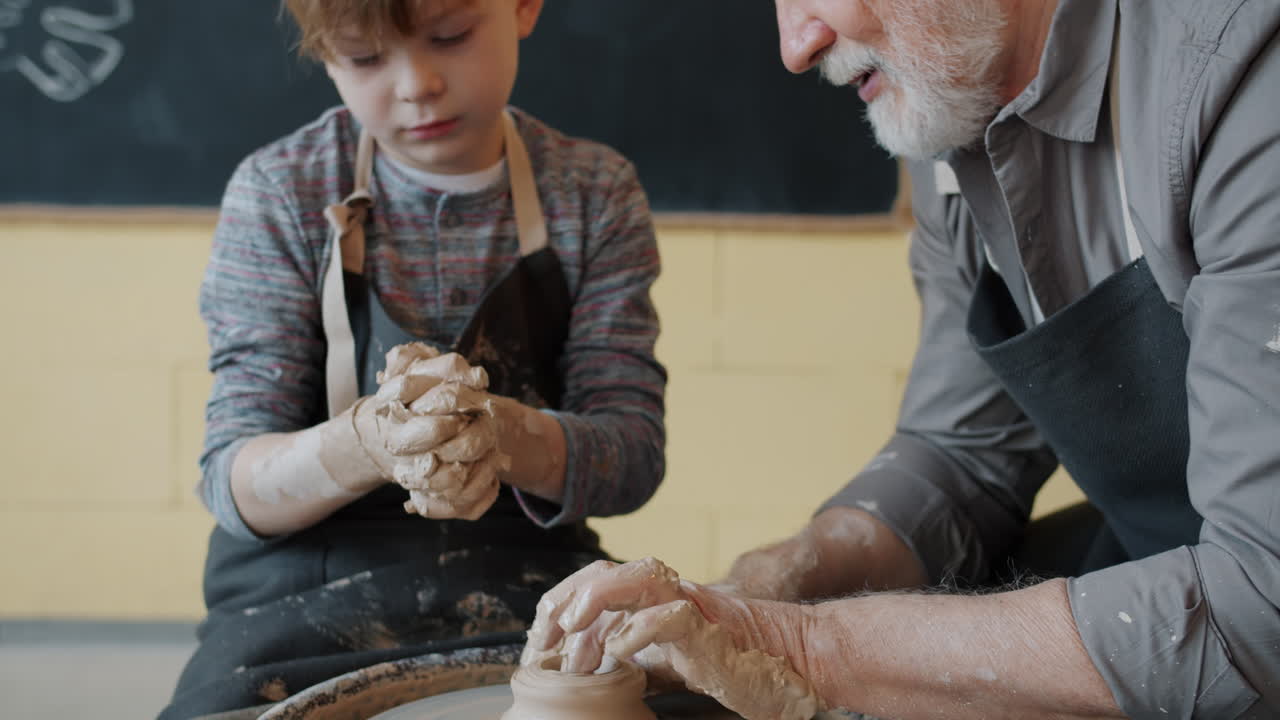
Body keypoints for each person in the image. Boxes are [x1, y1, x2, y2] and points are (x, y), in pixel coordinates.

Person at [524, 1, 1280, 718]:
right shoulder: (950, 95)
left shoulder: (1240, 73)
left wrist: (804, 646)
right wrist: (755, 592)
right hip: (1173, 586)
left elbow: (1259, 605)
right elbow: (962, 461)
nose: (796, 47)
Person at [160, 0, 666, 717]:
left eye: (450, 37)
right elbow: (232, 481)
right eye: (365, 58)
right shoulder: (283, 191)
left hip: (533, 584)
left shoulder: (591, 193)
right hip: (301, 600)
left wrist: (503, 437)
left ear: (522, 7)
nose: (415, 84)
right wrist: (364, 444)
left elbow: (634, 457)